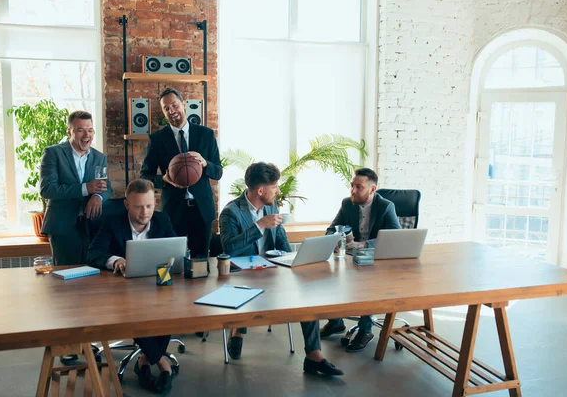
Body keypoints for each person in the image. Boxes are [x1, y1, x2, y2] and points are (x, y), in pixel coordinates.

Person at [219, 162, 343, 376]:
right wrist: (259, 225)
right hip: (243, 274)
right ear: (260, 190)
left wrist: (294, 259)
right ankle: (238, 330)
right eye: (274, 186)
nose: (277, 190)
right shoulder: (231, 212)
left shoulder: (271, 206)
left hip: (273, 270)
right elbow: (229, 248)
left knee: (307, 291)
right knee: (249, 291)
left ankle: (314, 354)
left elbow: (281, 238)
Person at [87, 179, 176, 393]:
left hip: (158, 287)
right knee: (136, 312)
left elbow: (175, 252)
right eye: (138, 207)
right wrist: (116, 261)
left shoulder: (163, 220)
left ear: (155, 202)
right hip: (123, 292)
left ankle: (145, 359)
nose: (144, 212)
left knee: (172, 308)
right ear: (127, 204)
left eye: (148, 206)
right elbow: (93, 254)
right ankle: (162, 363)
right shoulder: (112, 222)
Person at [321, 167, 401, 352]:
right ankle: (335, 322)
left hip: (376, 258)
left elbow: (394, 235)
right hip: (350, 256)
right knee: (327, 275)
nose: (353, 191)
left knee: (367, 281)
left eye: (359, 187)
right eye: (352, 186)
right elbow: (331, 229)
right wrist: (336, 238)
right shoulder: (347, 203)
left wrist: (365, 245)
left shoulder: (386, 206)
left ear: (372, 190)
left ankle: (365, 330)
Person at [140, 88, 222, 258]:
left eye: (174, 105)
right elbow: (145, 176)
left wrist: (205, 163)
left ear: (183, 104)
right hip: (173, 211)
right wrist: (164, 179)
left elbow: (218, 172)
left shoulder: (205, 134)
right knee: (174, 261)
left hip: (202, 210)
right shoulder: (157, 139)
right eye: (166, 108)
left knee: (200, 262)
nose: (172, 111)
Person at [39, 110, 112, 266]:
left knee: (94, 275)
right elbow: (47, 189)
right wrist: (86, 188)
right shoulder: (53, 153)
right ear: (69, 131)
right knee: (65, 277)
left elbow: (107, 187)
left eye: (90, 130)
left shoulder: (100, 158)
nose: (87, 134)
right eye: (80, 130)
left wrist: (97, 197)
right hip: (62, 226)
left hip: (93, 226)